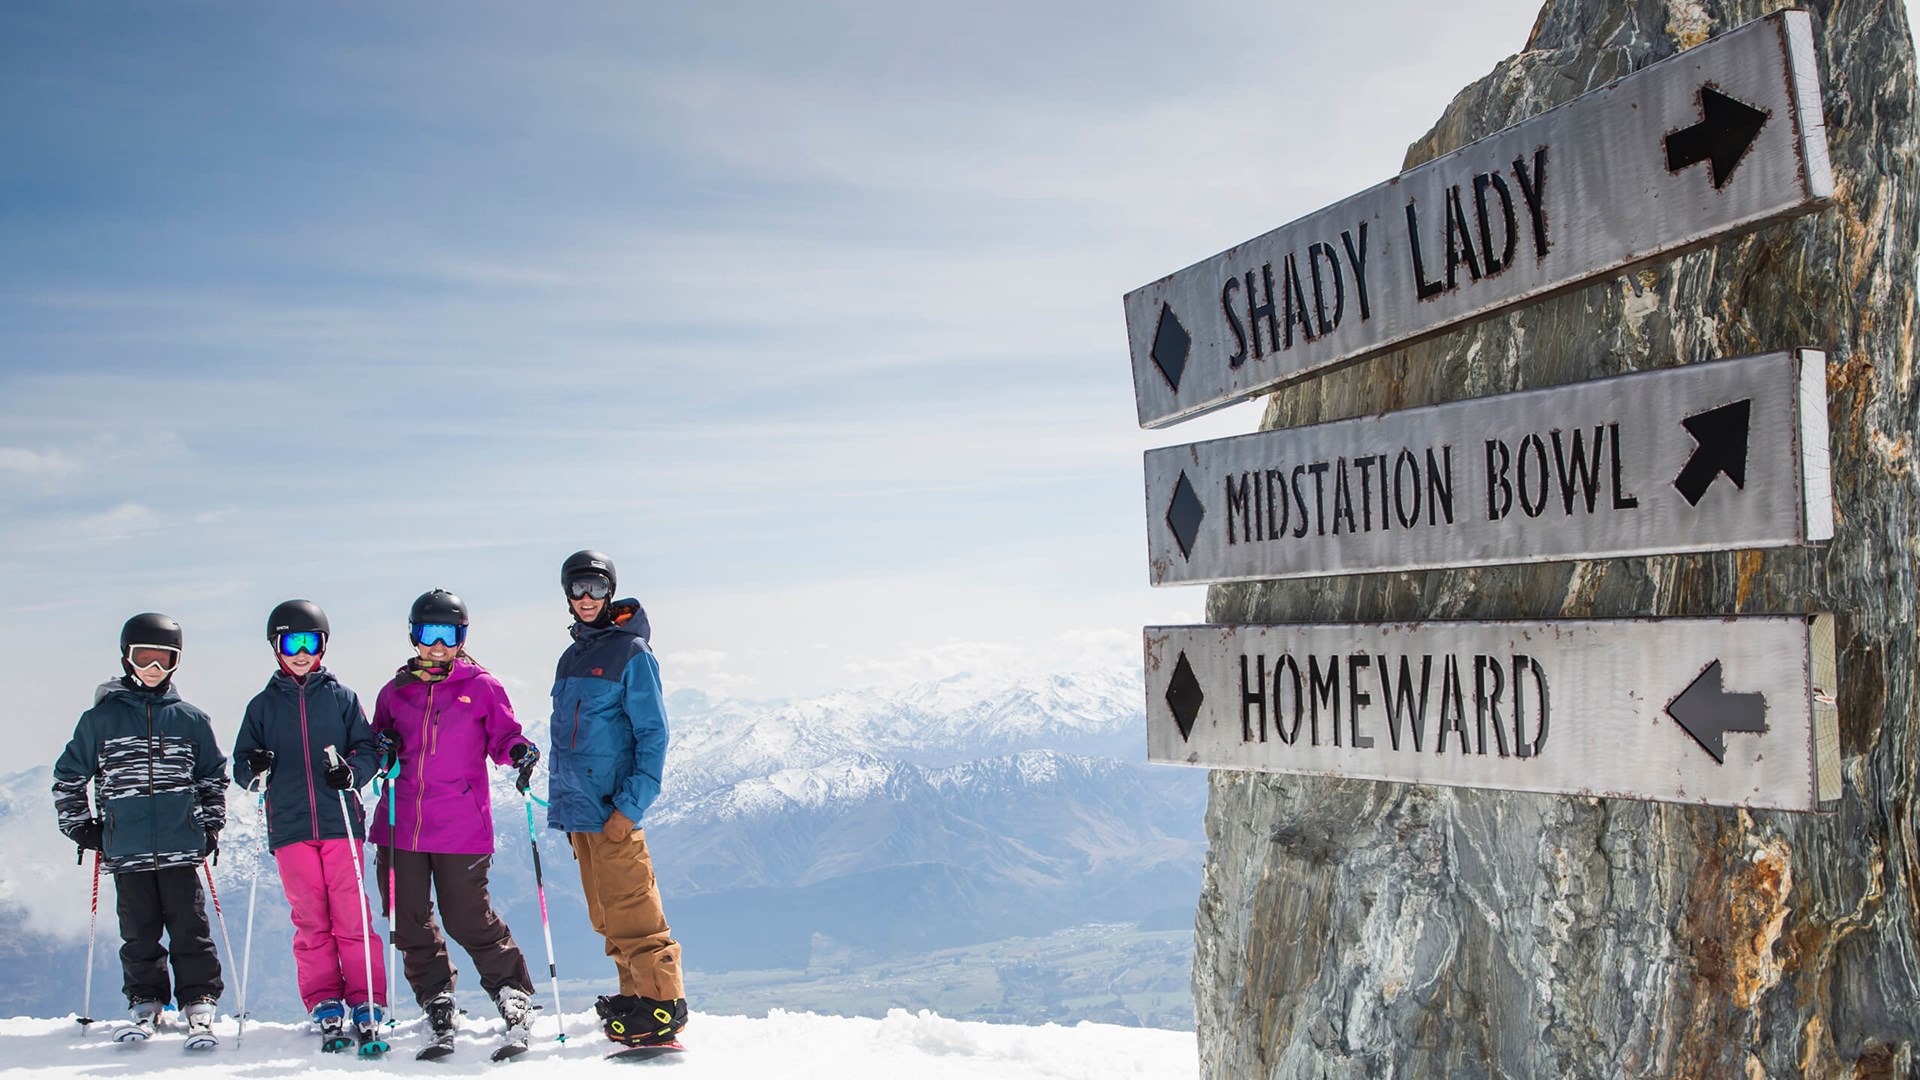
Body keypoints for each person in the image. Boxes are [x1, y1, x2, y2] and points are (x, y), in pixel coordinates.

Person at [369, 588, 542, 1058]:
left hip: (461, 826)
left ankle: (513, 993)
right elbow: (375, 744)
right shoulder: (394, 691)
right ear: (414, 635)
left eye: (449, 634)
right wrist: (378, 749)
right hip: (399, 825)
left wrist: (519, 752)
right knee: (408, 922)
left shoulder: (480, 686)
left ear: (462, 637)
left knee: (468, 918)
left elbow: (504, 736)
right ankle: (437, 998)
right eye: (429, 633)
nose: (438, 645)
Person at [52, 613, 228, 1047]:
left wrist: (209, 826)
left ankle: (199, 999)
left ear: (176, 662)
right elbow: (68, 777)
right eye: (143, 658)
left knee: (190, 927)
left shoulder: (190, 720)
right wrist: (82, 828)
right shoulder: (101, 721)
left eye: (163, 660)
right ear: (126, 659)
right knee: (138, 930)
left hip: (180, 847)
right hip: (126, 849)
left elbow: (212, 778)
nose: (153, 668)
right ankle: (145, 1000)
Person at [229, 599, 387, 1054]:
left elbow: (367, 750)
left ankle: (367, 999)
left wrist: (352, 773)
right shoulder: (261, 707)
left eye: (311, 642)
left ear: (323, 646)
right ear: (276, 647)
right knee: (311, 921)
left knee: (352, 917)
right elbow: (242, 764)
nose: (302, 652)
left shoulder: (340, 699)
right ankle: (325, 1000)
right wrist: (254, 767)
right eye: (292, 642)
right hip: (291, 828)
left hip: (339, 822)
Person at [546, 550, 687, 1046]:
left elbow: (654, 735)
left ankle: (664, 1007)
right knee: (607, 915)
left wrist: (630, 807)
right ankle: (635, 996)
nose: (587, 599)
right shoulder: (572, 658)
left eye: (596, 589)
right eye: (577, 589)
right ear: (567, 595)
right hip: (580, 813)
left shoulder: (632, 653)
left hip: (613, 810)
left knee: (635, 911)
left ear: (610, 592)